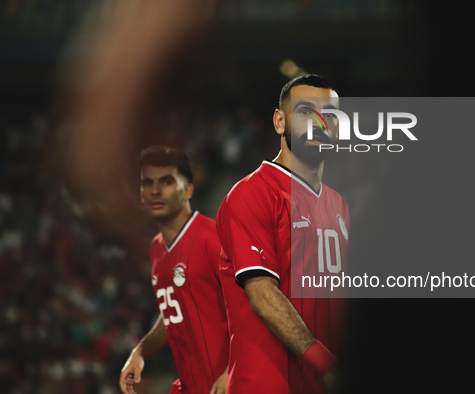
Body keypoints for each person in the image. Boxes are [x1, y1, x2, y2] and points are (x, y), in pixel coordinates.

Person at [216, 74, 350, 394]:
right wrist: (324, 363)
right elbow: (262, 293)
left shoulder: (338, 203)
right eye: (306, 112)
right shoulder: (252, 193)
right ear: (279, 121)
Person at [120, 146, 229, 394]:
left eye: (166, 182)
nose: (155, 190)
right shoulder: (157, 249)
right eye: (147, 183)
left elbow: (252, 309)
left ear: (188, 189)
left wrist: (231, 371)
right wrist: (140, 351)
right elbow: (173, 313)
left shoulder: (214, 238)